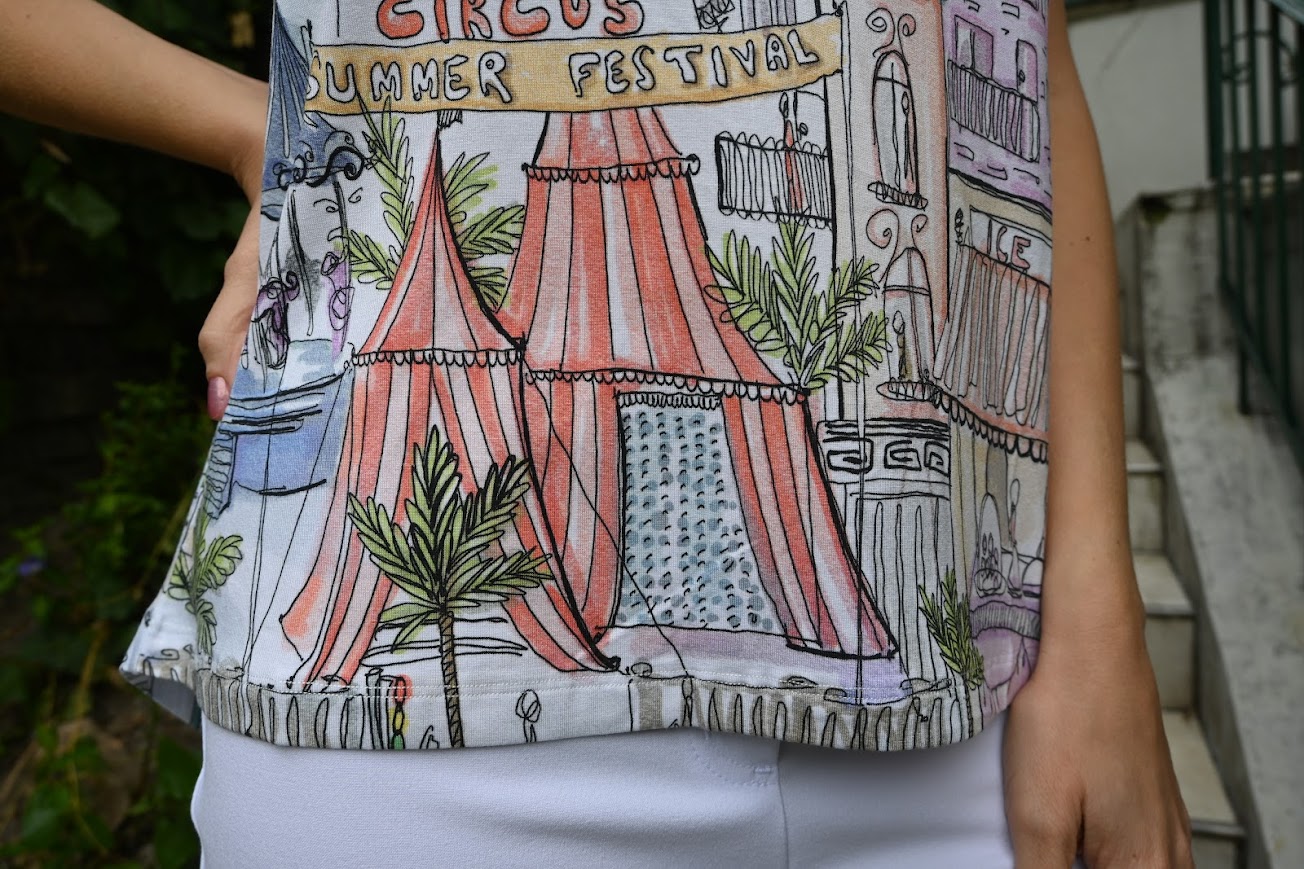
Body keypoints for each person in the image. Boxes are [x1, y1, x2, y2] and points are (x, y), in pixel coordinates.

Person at [0, 0, 1193, 866]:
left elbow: (1025, 52)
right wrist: (257, 129)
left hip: (959, 733)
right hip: (411, 775)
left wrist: (1097, 623)